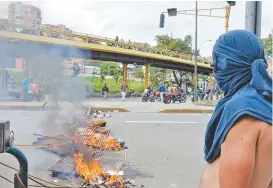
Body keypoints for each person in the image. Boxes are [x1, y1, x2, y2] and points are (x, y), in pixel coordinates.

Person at [200, 30, 272, 188]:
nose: (216, 73)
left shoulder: (243, 110)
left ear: (228, 64)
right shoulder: (265, 105)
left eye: (216, 65)